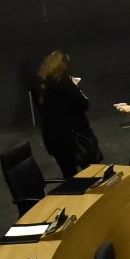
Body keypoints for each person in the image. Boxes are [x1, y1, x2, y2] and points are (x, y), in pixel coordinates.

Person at [33, 50, 101, 178]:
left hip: (53, 137)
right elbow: (84, 104)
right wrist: (76, 87)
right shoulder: (65, 84)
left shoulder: (38, 84)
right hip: (74, 136)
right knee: (94, 172)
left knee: (68, 173)